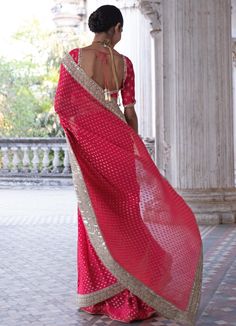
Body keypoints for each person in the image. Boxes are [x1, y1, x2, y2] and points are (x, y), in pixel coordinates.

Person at [54, 4, 203, 325]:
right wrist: (129, 149)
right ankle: (136, 287)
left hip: (92, 153)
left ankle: (101, 292)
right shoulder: (126, 64)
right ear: (117, 28)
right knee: (127, 218)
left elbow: (63, 107)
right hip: (120, 148)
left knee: (96, 219)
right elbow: (130, 113)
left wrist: (86, 141)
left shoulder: (74, 60)